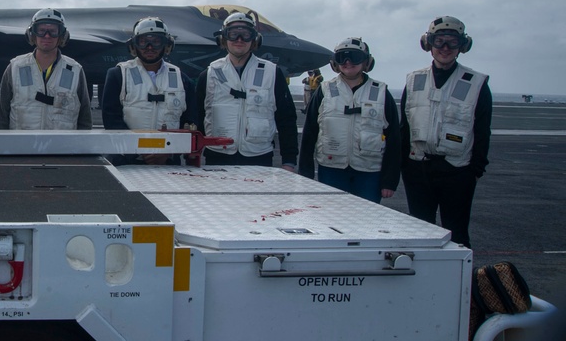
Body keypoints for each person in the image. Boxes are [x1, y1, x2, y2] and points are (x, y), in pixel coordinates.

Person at [401, 16, 491, 248]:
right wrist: (405, 166)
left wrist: (475, 170)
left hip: (457, 171)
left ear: (463, 46)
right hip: (418, 169)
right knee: (421, 233)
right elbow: (405, 126)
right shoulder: (414, 80)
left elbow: (482, 130)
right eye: (439, 41)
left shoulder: (476, 83)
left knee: (458, 235)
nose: (444, 48)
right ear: (428, 44)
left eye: (452, 42)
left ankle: (461, 284)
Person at [299, 38, 400, 202]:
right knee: (331, 219)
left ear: (366, 61)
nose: (348, 62)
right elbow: (310, 132)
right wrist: (305, 173)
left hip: (369, 172)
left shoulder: (381, 93)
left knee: (366, 220)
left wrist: (390, 181)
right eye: (342, 58)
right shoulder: (325, 91)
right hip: (332, 170)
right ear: (335, 63)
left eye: (354, 57)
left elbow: (394, 138)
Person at [195, 12, 298, 169]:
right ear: (223, 38)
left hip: (259, 158)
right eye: (233, 34)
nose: (239, 40)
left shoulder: (272, 73)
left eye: (245, 34)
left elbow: (286, 119)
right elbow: (198, 118)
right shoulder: (209, 74)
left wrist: (289, 161)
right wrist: (192, 155)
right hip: (217, 158)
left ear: (255, 39)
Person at [102, 17, 197, 164]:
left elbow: (189, 122)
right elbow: (112, 120)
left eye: (156, 41)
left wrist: (168, 152)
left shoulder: (181, 79)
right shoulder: (118, 75)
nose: (150, 47)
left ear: (167, 45)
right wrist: (140, 149)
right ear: (133, 45)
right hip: (127, 160)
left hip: (168, 162)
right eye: (143, 41)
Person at [0, 8, 92, 130]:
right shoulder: (16, 67)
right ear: (32, 34)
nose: (47, 36)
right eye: (41, 30)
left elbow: (85, 118)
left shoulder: (74, 70)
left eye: (53, 31)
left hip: (62, 147)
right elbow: (3, 115)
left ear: (62, 35)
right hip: (21, 147)